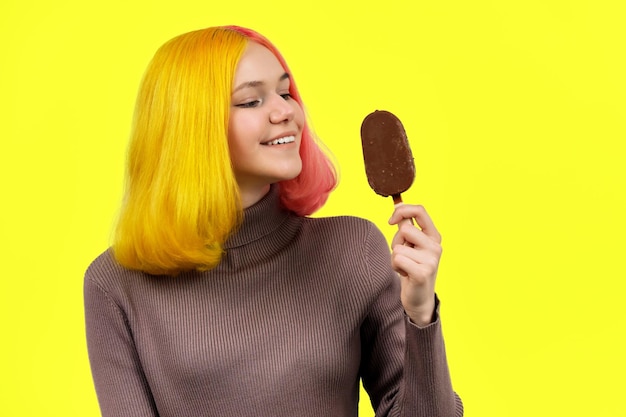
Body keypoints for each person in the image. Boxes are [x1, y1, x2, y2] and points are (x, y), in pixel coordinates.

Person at [84, 25, 463, 417]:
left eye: (285, 93)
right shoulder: (114, 284)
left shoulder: (353, 248)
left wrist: (419, 315)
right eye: (250, 101)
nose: (286, 111)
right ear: (191, 127)